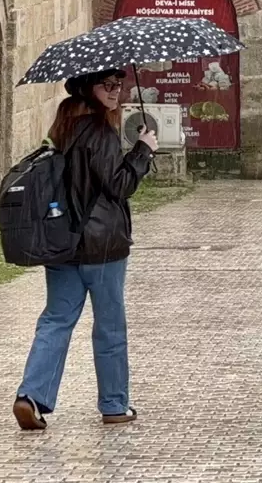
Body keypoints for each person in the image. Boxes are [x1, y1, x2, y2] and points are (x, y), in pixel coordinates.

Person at [13, 69, 158, 431]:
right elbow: (119, 186)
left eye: (118, 84)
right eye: (107, 85)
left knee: (55, 321)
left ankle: (31, 396)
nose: (116, 91)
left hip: (62, 244)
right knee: (109, 325)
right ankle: (114, 404)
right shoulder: (100, 132)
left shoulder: (61, 131)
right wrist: (143, 151)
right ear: (88, 90)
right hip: (103, 246)